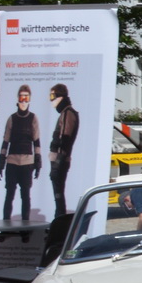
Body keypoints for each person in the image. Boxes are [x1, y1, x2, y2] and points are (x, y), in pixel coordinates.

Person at [0, 84, 42, 221]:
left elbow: (36, 141)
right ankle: (5, 225)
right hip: (12, 162)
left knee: (25, 195)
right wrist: (1, 162)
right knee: (9, 194)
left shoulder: (33, 118)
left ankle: (25, 228)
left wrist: (38, 162)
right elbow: (5, 141)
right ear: (17, 99)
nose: (23, 101)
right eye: (21, 98)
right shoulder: (12, 118)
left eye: (26, 98)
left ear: (29, 100)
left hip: (27, 162)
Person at [46, 83, 79, 221]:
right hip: (59, 159)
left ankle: (60, 221)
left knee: (59, 194)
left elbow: (64, 140)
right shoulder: (65, 113)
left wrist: (58, 162)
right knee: (57, 194)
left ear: (61, 96)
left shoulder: (67, 114)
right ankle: (59, 220)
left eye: (53, 96)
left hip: (61, 159)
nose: (51, 100)